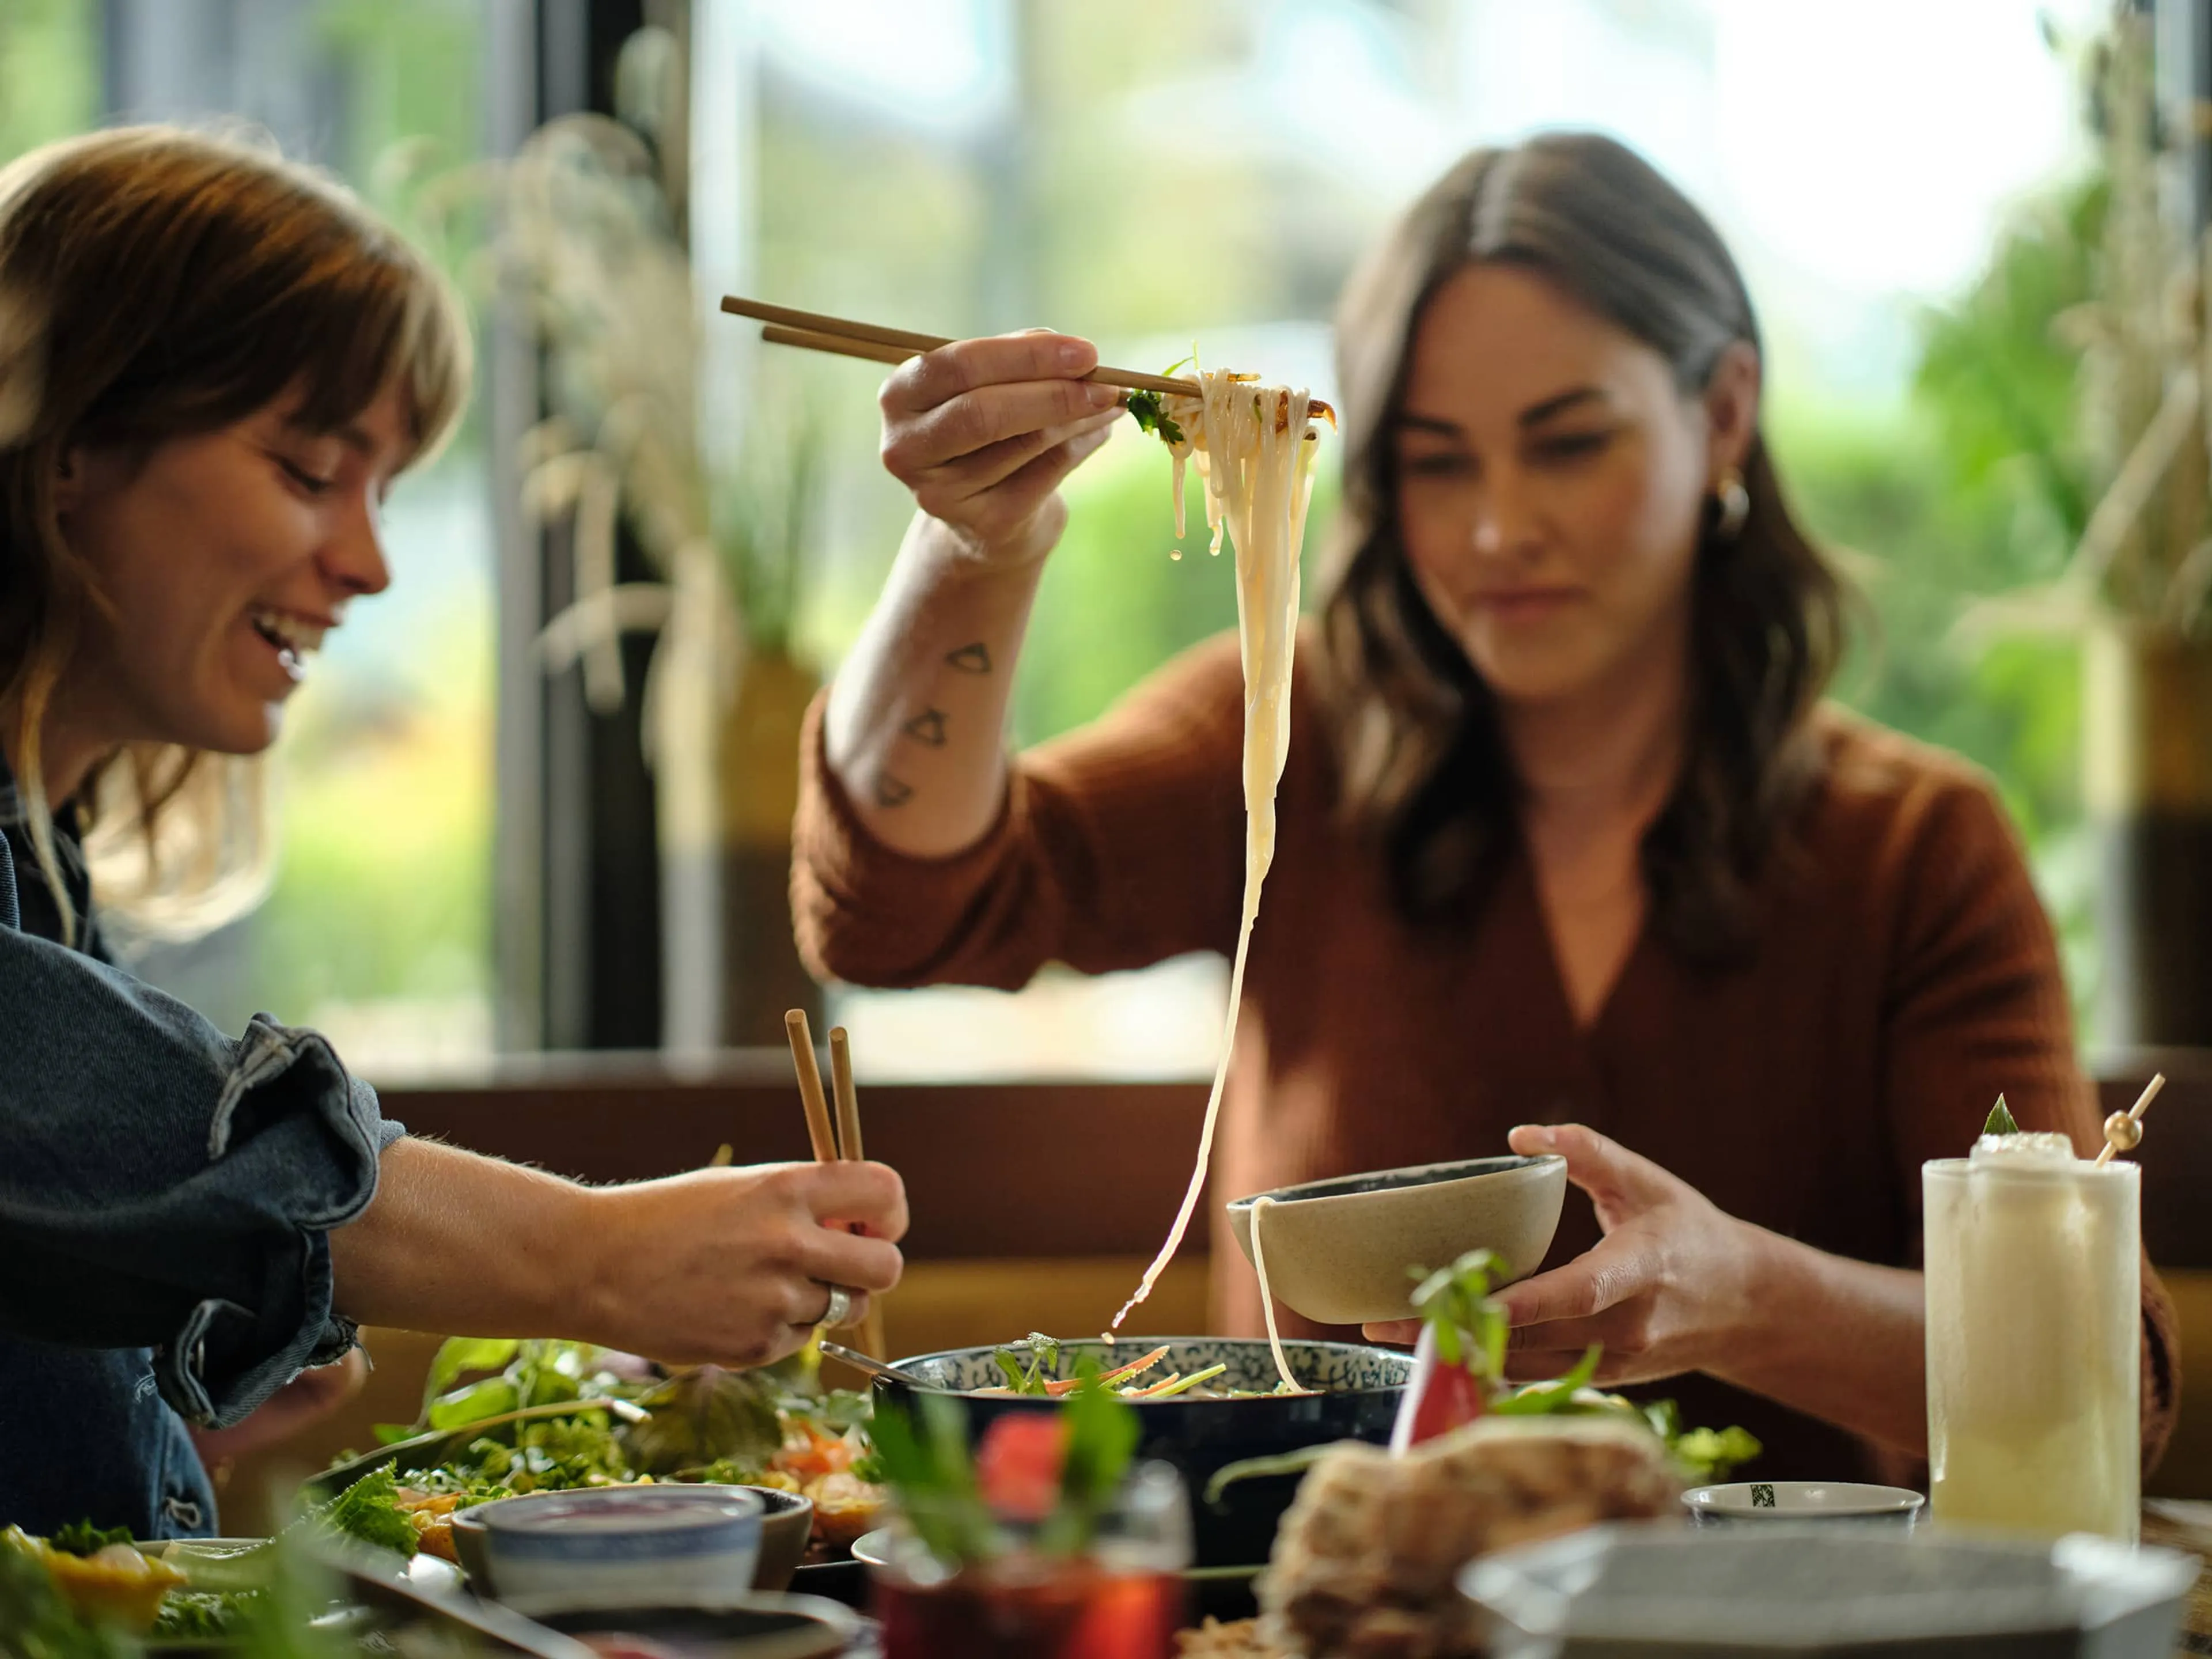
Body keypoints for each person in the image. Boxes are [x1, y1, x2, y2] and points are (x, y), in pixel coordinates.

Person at [791, 132, 2177, 1483]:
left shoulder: (1915, 851)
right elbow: (899, 914)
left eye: (1568, 445)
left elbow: (2102, 1371)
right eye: (1439, 463)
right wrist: (975, 549)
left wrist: (1738, 1291)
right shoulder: (1286, 739)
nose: (1498, 528)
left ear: (1726, 413)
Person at [0, 126, 906, 1541]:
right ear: (69, 449)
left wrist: (150, 1394)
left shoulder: (49, 861)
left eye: (385, 489)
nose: (367, 564)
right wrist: (591, 1257)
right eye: (309, 470)